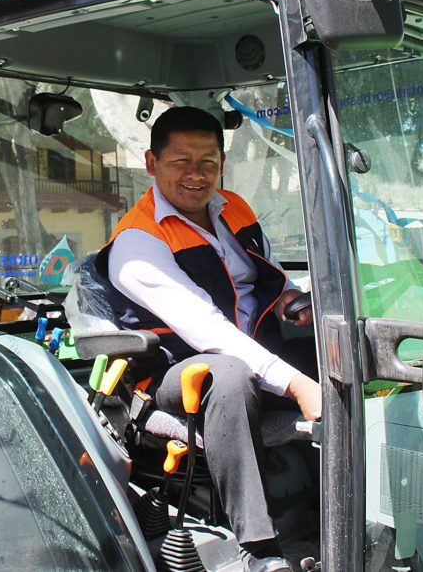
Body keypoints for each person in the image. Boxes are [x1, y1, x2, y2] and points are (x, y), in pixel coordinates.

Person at [96, 107, 320, 572]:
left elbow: (266, 275)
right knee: (228, 375)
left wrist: (288, 299)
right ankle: (258, 548)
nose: (196, 174)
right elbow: (208, 330)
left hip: (255, 347)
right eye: (181, 161)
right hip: (174, 371)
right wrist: (296, 384)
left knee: (341, 349)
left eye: (208, 162)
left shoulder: (233, 208)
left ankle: (338, 506)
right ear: (152, 163)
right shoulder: (138, 243)